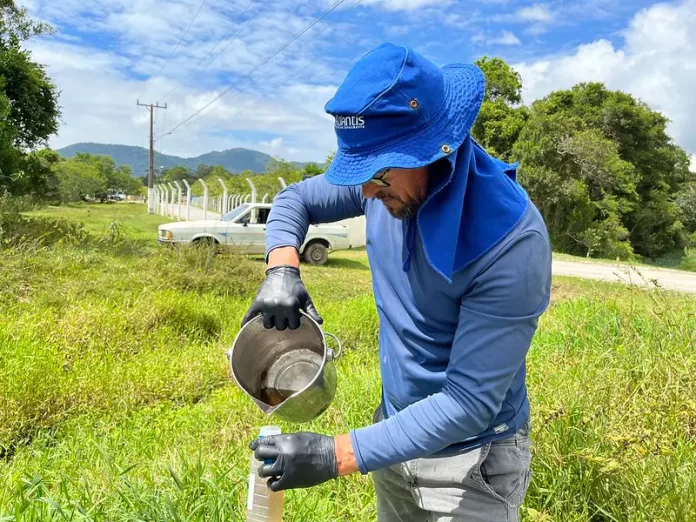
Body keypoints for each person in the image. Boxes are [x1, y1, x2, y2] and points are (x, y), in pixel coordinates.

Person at [243, 42, 552, 522]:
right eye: (360, 172)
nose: (365, 192)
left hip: (471, 465)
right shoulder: (387, 177)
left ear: (435, 149)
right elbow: (294, 199)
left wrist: (336, 454)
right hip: (392, 435)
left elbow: (468, 403)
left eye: (377, 175)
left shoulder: (511, 243)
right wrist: (282, 266)